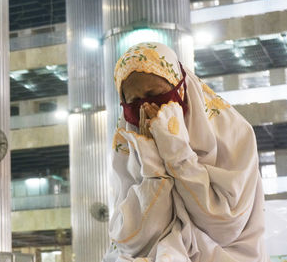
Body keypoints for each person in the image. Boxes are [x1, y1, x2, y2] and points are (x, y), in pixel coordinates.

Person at [103, 42, 269, 262]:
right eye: (133, 101)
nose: (145, 108)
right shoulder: (129, 149)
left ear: (180, 90)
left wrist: (175, 150)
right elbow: (132, 240)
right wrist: (152, 166)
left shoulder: (235, 135)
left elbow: (225, 226)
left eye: (154, 94)